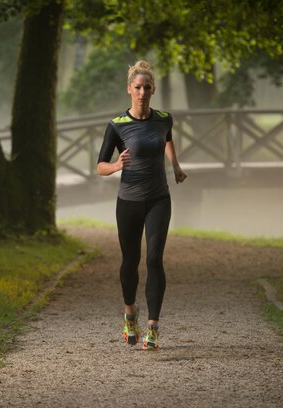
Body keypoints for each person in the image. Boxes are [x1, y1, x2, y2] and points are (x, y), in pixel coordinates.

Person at [97, 60, 187, 351]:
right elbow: (99, 166)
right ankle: (129, 313)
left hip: (159, 198)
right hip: (129, 201)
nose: (142, 91)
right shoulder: (117, 125)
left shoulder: (164, 119)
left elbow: (167, 139)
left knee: (154, 259)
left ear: (153, 90)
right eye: (137, 87)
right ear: (129, 90)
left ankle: (153, 328)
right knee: (130, 261)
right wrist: (115, 166)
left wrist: (175, 165)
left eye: (147, 87)